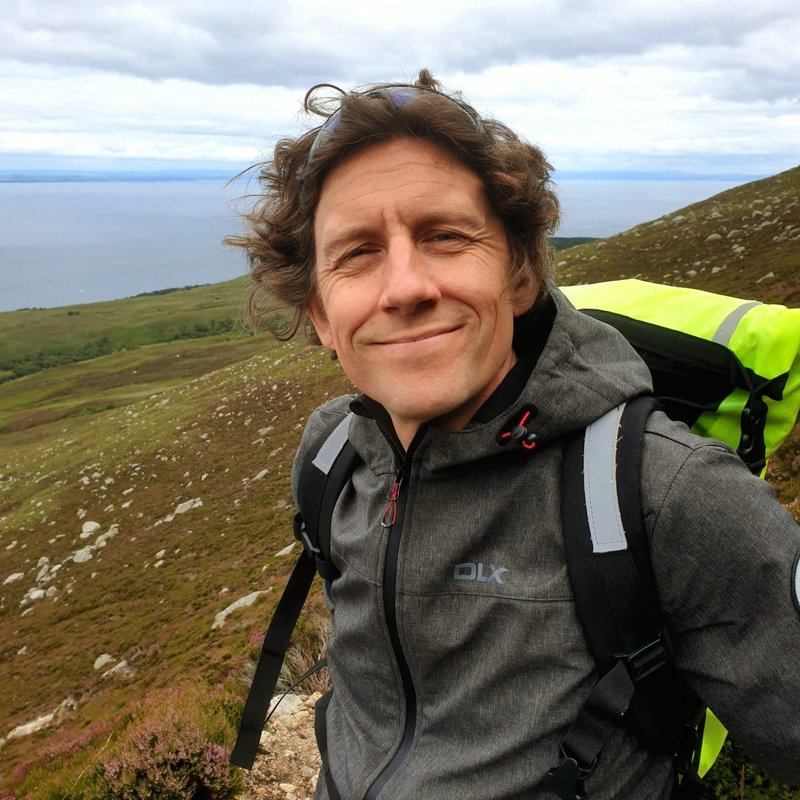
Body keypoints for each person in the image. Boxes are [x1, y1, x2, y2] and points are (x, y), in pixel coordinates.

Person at [229, 69, 800, 799]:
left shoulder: (666, 494)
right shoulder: (332, 454)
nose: (405, 287)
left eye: (444, 236)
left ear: (519, 275)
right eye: (358, 252)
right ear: (319, 312)